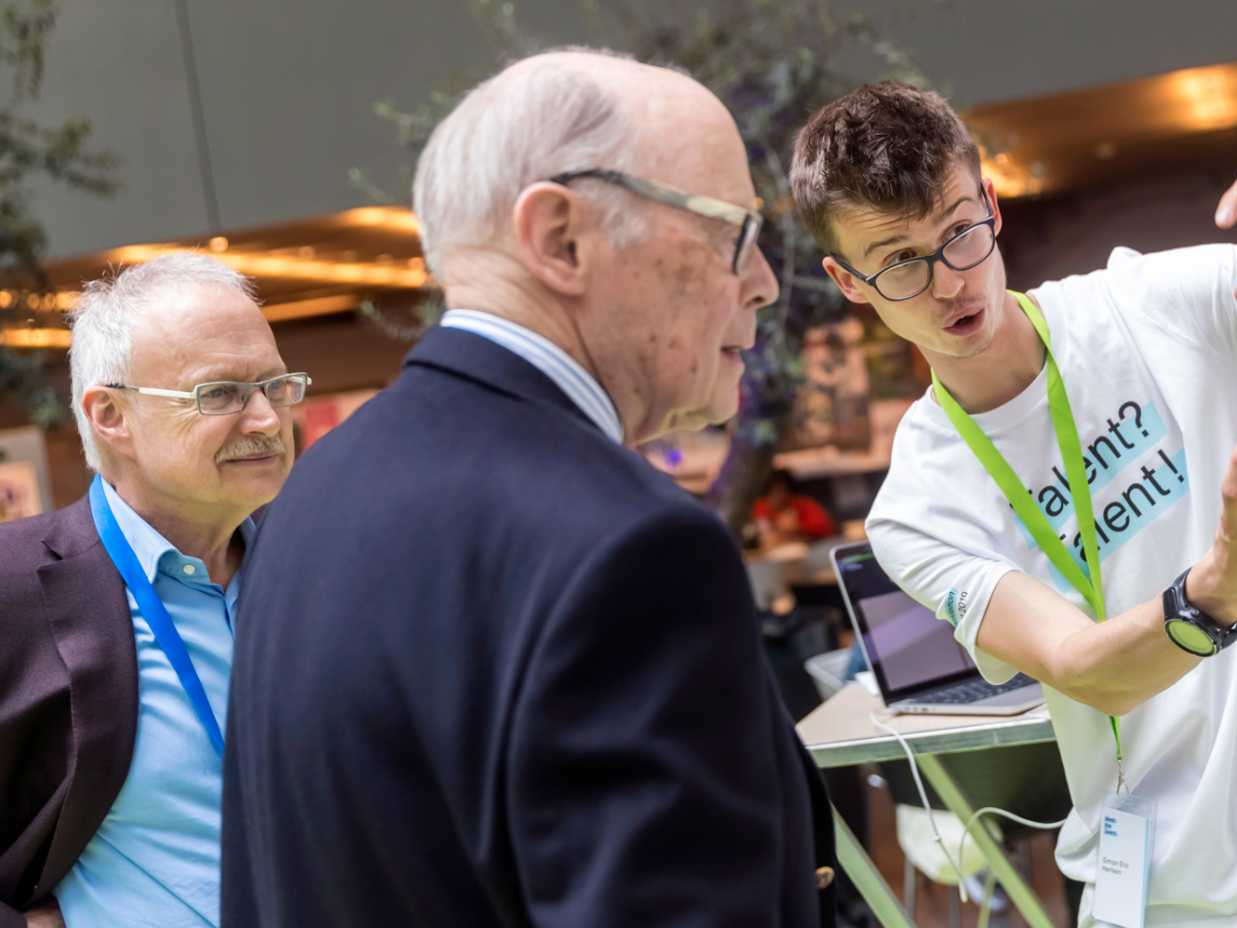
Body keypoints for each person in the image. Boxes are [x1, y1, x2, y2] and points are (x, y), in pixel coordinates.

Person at [792, 81, 1237, 926]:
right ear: (848, 279)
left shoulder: (1150, 304)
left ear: (990, 204)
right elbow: (1090, 671)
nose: (948, 283)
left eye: (957, 233)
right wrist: (1219, 592)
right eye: (901, 259)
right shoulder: (918, 503)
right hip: (1166, 891)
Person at [222, 50, 834, 926]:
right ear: (561, 239)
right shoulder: (627, 544)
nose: (765, 282)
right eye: (731, 232)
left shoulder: (316, 493)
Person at [0, 255, 302, 928]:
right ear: (111, 415)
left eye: (276, 385)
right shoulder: (16, 591)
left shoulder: (325, 564)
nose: (265, 420)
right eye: (220, 393)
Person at [753, 468, 838, 547]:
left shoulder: (803, 504)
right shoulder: (762, 507)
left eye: (780, 490)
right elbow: (766, 539)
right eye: (772, 493)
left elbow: (826, 530)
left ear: (788, 490)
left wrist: (798, 527)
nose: (777, 496)